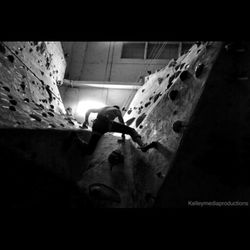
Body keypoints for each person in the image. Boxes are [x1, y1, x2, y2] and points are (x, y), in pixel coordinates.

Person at [81, 105, 146, 154]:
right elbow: (122, 123)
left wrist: (86, 120)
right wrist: (123, 135)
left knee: (90, 150)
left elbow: (89, 110)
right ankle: (142, 145)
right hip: (106, 124)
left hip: (96, 126)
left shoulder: (104, 108)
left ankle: (78, 140)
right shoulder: (116, 110)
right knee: (131, 130)